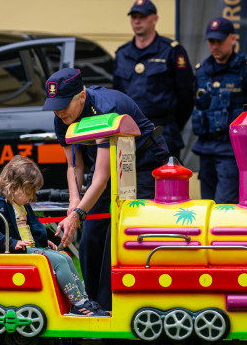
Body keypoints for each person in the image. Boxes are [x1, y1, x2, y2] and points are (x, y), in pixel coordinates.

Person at [43, 68, 169, 310]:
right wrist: (74, 203)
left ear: (81, 96)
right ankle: (89, 304)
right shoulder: (62, 116)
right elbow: (74, 165)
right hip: (109, 167)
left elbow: (101, 176)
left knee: (117, 233)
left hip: (142, 166)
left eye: (63, 105)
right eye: (54, 106)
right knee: (91, 234)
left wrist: (77, 214)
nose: (59, 112)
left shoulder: (106, 108)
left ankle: (112, 307)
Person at [0, 155, 108, 317]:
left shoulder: (21, 205)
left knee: (66, 257)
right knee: (59, 261)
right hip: (14, 253)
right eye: (29, 192)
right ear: (13, 187)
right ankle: (78, 304)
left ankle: (82, 300)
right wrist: (12, 243)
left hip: (28, 249)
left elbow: (29, 229)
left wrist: (44, 241)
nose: (32, 197)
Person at [192, 16, 247, 204]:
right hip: (206, 150)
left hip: (233, 152)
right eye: (211, 41)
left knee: (225, 207)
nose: (215, 46)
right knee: (208, 206)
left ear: (233, 39)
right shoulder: (201, 71)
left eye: (220, 41)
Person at [113, 0, 194, 160]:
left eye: (142, 17)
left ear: (155, 19)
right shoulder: (122, 53)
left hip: (163, 133)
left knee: (165, 184)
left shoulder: (171, 51)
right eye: (133, 17)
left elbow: (186, 96)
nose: (137, 21)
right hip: (130, 135)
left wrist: (171, 124)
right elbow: (117, 96)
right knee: (132, 185)